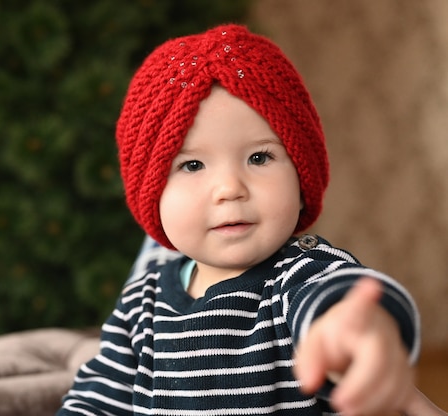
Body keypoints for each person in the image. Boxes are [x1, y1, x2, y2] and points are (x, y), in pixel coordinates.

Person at [58, 23, 445, 415]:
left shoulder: (299, 279)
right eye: (192, 164)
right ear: (152, 196)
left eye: (259, 158)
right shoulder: (142, 305)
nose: (229, 188)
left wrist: (360, 327)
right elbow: (94, 403)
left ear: (300, 175)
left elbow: (340, 298)